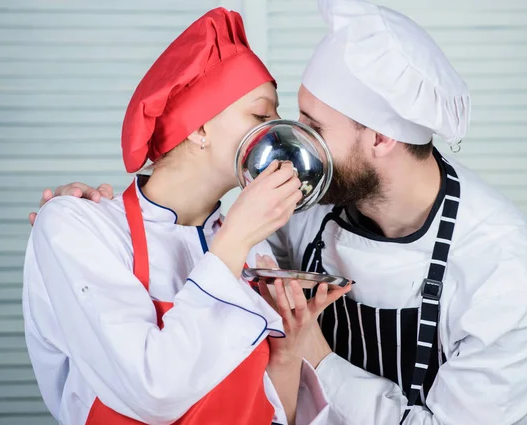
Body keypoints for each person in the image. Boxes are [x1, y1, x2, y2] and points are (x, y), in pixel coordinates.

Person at [31, 0, 527, 424]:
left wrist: (314, 358)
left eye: (311, 125)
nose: (288, 138)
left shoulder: (503, 267)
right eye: (271, 114)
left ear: (381, 138)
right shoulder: (291, 219)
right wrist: (95, 216)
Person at [23, 7, 350, 425]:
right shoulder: (78, 226)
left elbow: (270, 414)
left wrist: (287, 351)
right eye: (260, 114)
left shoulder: (252, 248)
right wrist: (233, 242)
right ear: (198, 127)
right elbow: (150, 391)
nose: (275, 130)